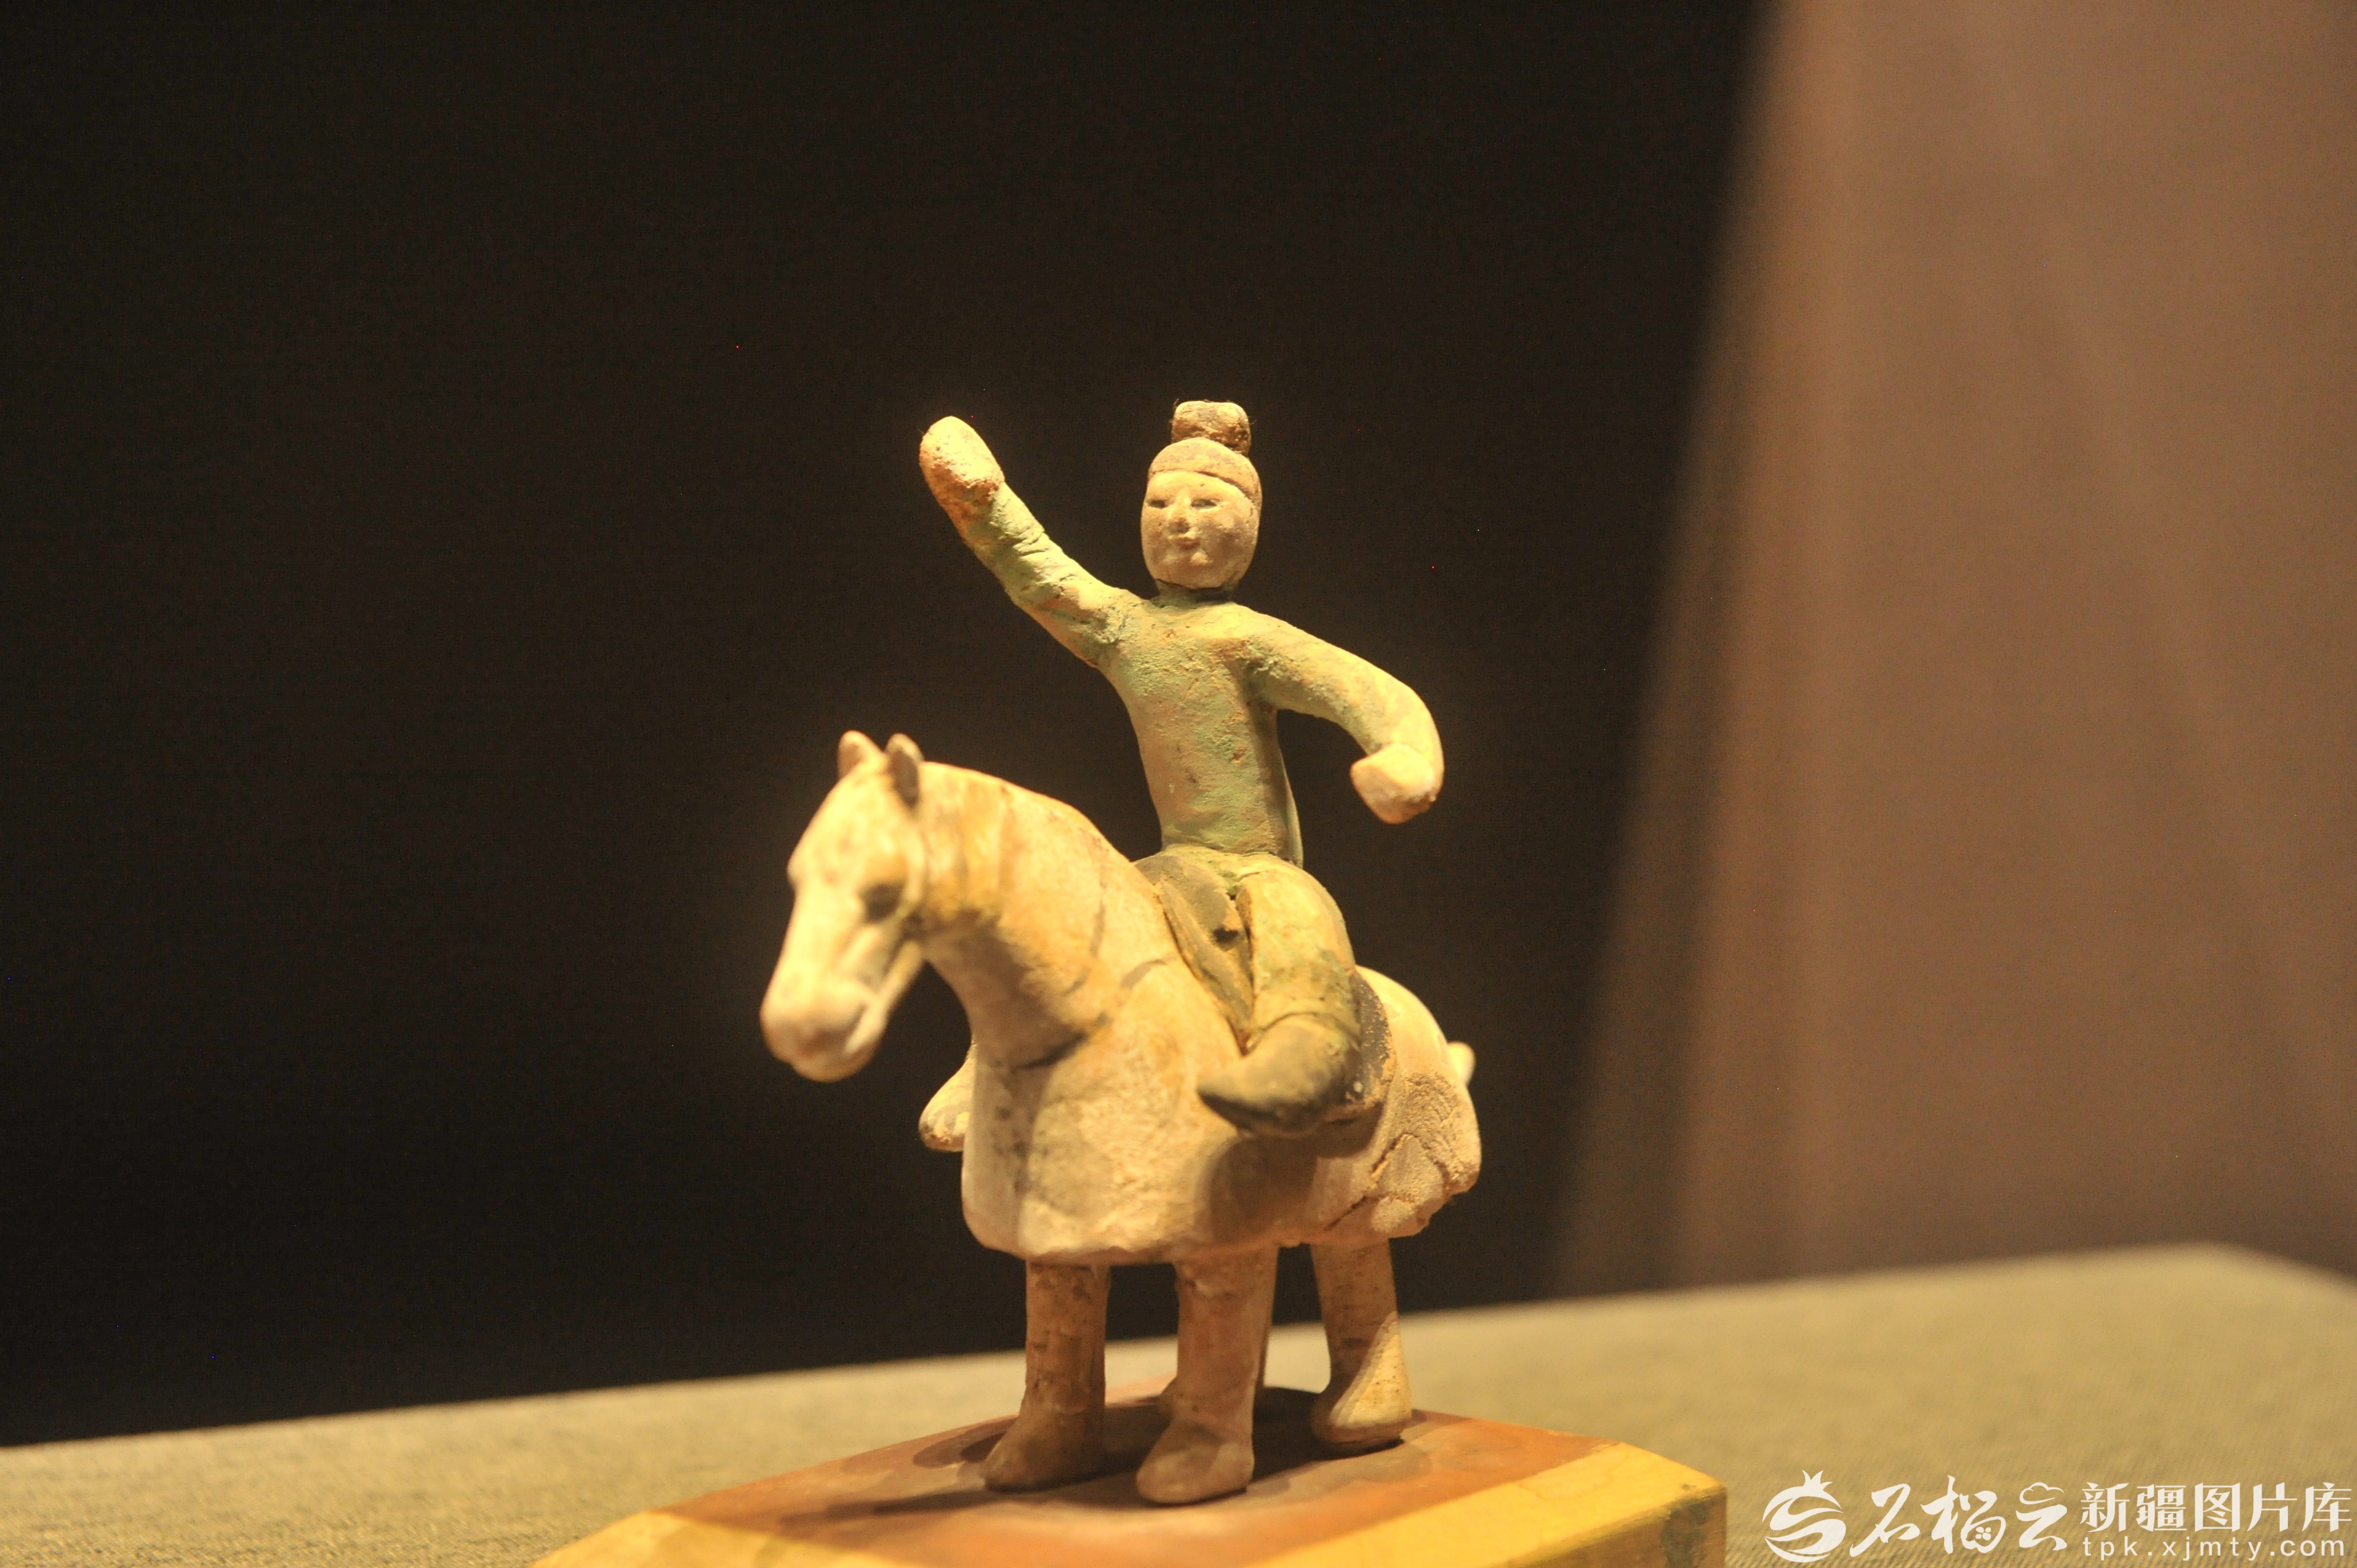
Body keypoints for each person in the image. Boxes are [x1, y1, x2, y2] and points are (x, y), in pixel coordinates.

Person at [917, 401, 1443, 1136]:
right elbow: (1039, 573)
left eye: (1205, 504)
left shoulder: (1248, 639)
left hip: (1257, 863)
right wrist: (981, 500)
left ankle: (1306, 1050)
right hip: (1173, 864)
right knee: (1068, 926)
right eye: (1160, 504)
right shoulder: (1124, 628)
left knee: (1295, 911)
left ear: (1249, 525)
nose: (1179, 521)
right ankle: (993, 1065)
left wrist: (1405, 757)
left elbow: (1369, 693)